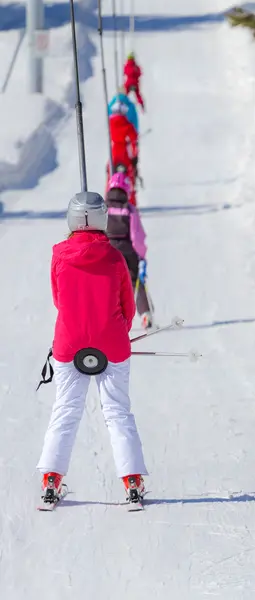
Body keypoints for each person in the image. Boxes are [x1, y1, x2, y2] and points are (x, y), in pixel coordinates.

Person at [37, 191, 147, 505]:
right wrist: (116, 333)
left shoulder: (59, 253)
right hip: (111, 343)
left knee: (65, 410)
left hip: (69, 344)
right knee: (117, 412)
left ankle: (50, 480)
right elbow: (127, 304)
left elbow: (59, 300)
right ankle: (132, 482)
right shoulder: (114, 256)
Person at [105, 173, 154, 330]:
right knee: (134, 282)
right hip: (127, 251)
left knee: (107, 284)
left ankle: (108, 316)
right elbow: (136, 236)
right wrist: (141, 256)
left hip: (107, 251)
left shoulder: (103, 209)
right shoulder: (130, 210)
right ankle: (145, 313)